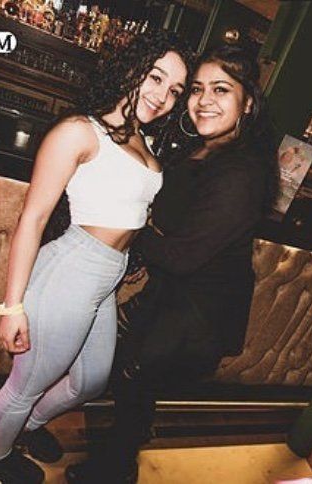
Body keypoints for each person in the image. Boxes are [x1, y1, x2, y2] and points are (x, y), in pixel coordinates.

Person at [0, 31, 192, 484]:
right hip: (70, 272)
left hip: (105, 280)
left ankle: (27, 428)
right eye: (155, 78)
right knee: (26, 385)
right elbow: (32, 218)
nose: (163, 96)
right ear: (131, 69)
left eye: (175, 90)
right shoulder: (79, 131)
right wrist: (12, 306)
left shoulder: (144, 143)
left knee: (90, 381)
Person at [65, 43, 278, 484]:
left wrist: (126, 228)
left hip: (196, 310)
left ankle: (114, 468)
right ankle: (125, 447)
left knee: (133, 376)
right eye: (196, 89)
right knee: (133, 382)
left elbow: (182, 255)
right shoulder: (206, 150)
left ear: (248, 103)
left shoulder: (241, 170)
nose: (203, 100)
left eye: (221, 89)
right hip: (173, 296)